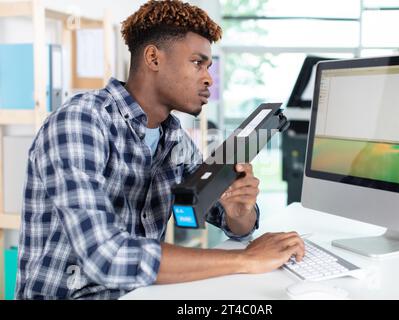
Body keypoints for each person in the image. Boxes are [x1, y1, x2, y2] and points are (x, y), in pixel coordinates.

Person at [15, 0, 305, 300]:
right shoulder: (80, 122)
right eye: (197, 62)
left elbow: (233, 225)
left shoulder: (174, 138)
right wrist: (245, 260)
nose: (208, 78)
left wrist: (239, 210)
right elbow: (105, 256)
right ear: (153, 58)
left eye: (209, 67)